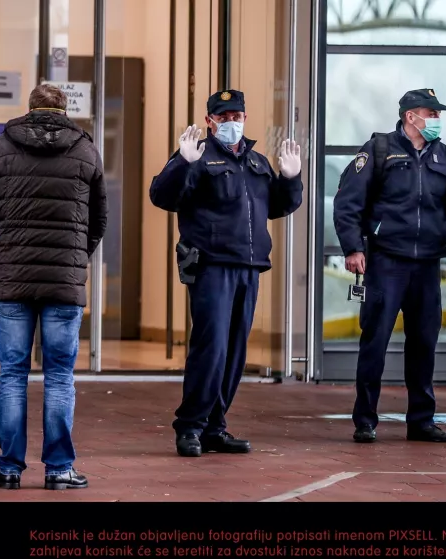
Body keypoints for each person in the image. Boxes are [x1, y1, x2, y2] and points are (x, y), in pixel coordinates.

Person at [0, 83, 107, 491]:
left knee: (12, 373)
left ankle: (9, 469)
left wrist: (7, 227)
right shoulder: (85, 150)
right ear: (64, 110)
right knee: (60, 375)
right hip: (64, 280)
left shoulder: (0, 147)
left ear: (29, 109)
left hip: (13, 276)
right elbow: (98, 219)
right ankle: (59, 469)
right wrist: (76, 255)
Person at [149, 89, 303, 458]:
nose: (231, 122)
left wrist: (290, 179)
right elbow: (163, 197)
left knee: (234, 352)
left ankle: (214, 428)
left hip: (249, 265)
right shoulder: (198, 155)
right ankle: (190, 426)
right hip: (211, 265)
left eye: (237, 116)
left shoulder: (257, 161)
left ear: (245, 118)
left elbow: (276, 206)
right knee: (212, 348)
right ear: (209, 121)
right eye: (223, 117)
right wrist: (181, 164)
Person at [333, 88, 446, 444]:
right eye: (432, 113)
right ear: (411, 116)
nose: (437, 119)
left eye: (438, 114)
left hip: (427, 263)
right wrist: (353, 248)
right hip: (386, 261)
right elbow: (348, 202)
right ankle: (365, 420)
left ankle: (421, 421)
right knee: (375, 341)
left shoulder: (444, 155)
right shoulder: (378, 150)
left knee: (423, 343)